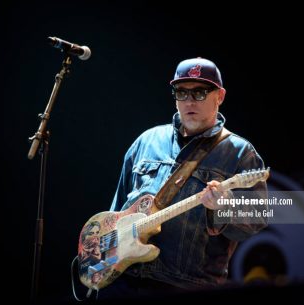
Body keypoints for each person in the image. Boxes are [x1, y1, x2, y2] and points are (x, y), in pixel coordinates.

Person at [97, 57, 268, 299]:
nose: (189, 100)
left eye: (200, 92)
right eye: (181, 92)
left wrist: (224, 207)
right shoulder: (147, 141)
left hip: (186, 287)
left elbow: (258, 218)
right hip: (123, 281)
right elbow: (116, 213)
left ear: (219, 96)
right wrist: (102, 261)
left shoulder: (241, 153)